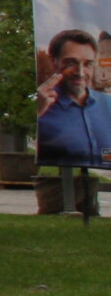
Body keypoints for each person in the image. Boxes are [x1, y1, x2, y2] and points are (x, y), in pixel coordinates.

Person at [35, 29, 111, 182]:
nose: (80, 73)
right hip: (61, 189)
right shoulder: (42, 108)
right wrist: (38, 112)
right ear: (53, 62)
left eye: (88, 64)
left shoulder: (108, 104)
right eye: (71, 63)